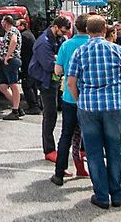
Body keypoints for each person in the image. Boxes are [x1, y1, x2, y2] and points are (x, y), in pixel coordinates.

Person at [65, 15, 121, 209]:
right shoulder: (119, 51)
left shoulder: (80, 52)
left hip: (89, 106)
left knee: (94, 152)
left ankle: (101, 195)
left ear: (87, 29)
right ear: (105, 29)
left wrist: (80, 100)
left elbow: (71, 82)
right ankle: (117, 193)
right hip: (113, 105)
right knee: (114, 150)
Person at [51, 14, 92, 184]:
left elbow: (58, 70)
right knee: (91, 135)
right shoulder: (94, 45)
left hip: (70, 96)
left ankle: (59, 173)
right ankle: (92, 172)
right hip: (91, 97)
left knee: (66, 134)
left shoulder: (67, 45)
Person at [30, 16, 71, 160]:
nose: (64, 34)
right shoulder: (43, 42)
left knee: (57, 113)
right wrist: (58, 60)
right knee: (50, 114)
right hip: (45, 80)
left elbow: (61, 59)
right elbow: (49, 65)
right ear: (56, 27)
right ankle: (49, 149)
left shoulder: (59, 39)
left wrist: (57, 60)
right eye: (63, 31)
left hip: (55, 79)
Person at [0, 16, 25, 120]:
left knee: (13, 85)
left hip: (11, 61)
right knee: (3, 87)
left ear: (5, 22)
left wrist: (7, 56)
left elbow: (13, 42)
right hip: (8, 61)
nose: (1, 23)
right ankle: (17, 106)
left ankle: (15, 111)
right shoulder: (8, 32)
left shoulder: (12, 31)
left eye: (2, 21)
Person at [18, 19, 40, 114]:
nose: (16, 28)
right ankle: (35, 104)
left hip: (28, 64)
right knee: (32, 85)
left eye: (18, 25)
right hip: (32, 63)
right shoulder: (29, 34)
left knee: (27, 85)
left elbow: (21, 50)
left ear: (23, 25)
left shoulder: (24, 36)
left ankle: (33, 106)